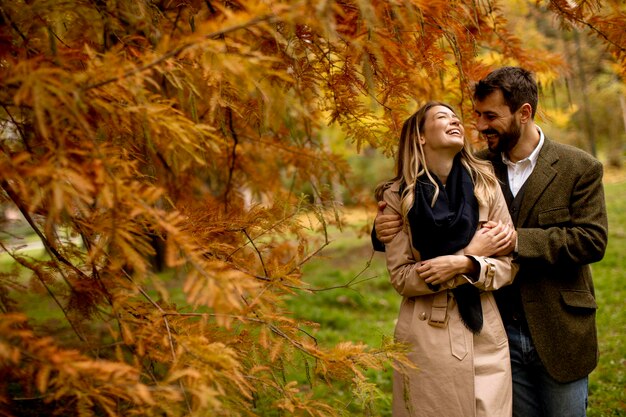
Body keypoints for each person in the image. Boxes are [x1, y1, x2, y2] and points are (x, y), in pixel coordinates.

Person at [374, 67, 609, 417]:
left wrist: (514, 241)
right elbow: (425, 211)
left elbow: (592, 240)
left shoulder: (579, 166)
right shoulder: (475, 169)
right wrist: (380, 231)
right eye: (478, 115)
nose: (480, 126)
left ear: (524, 113)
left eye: (490, 117)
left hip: (558, 327)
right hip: (495, 328)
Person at [376, 101, 518, 417]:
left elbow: (508, 264)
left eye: (456, 118)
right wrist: (471, 253)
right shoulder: (398, 195)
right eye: (442, 118)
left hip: (482, 330)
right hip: (427, 336)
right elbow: (402, 278)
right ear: (421, 137)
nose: (454, 121)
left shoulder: (486, 184)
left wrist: (465, 263)